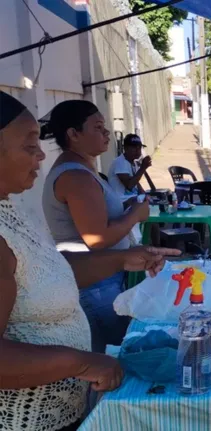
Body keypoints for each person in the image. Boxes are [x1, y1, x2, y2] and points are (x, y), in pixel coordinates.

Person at [0, 91, 178, 431]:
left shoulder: (13, 210)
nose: (40, 155)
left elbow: (47, 271)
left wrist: (123, 259)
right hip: (28, 421)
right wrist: (81, 364)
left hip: (62, 410)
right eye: (28, 146)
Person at [42, 100, 150, 353]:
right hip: (96, 284)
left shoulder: (82, 171)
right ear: (73, 134)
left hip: (102, 276)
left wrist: (125, 209)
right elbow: (97, 238)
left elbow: (97, 220)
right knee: (116, 354)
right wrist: (135, 214)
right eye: (98, 127)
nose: (107, 134)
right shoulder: (75, 177)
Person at [107, 133, 150, 198]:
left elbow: (136, 183)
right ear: (125, 148)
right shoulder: (120, 162)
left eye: (139, 147)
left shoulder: (133, 162)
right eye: (134, 147)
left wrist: (145, 195)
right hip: (120, 201)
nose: (137, 150)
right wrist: (142, 168)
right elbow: (129, 185)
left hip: (131, 199)